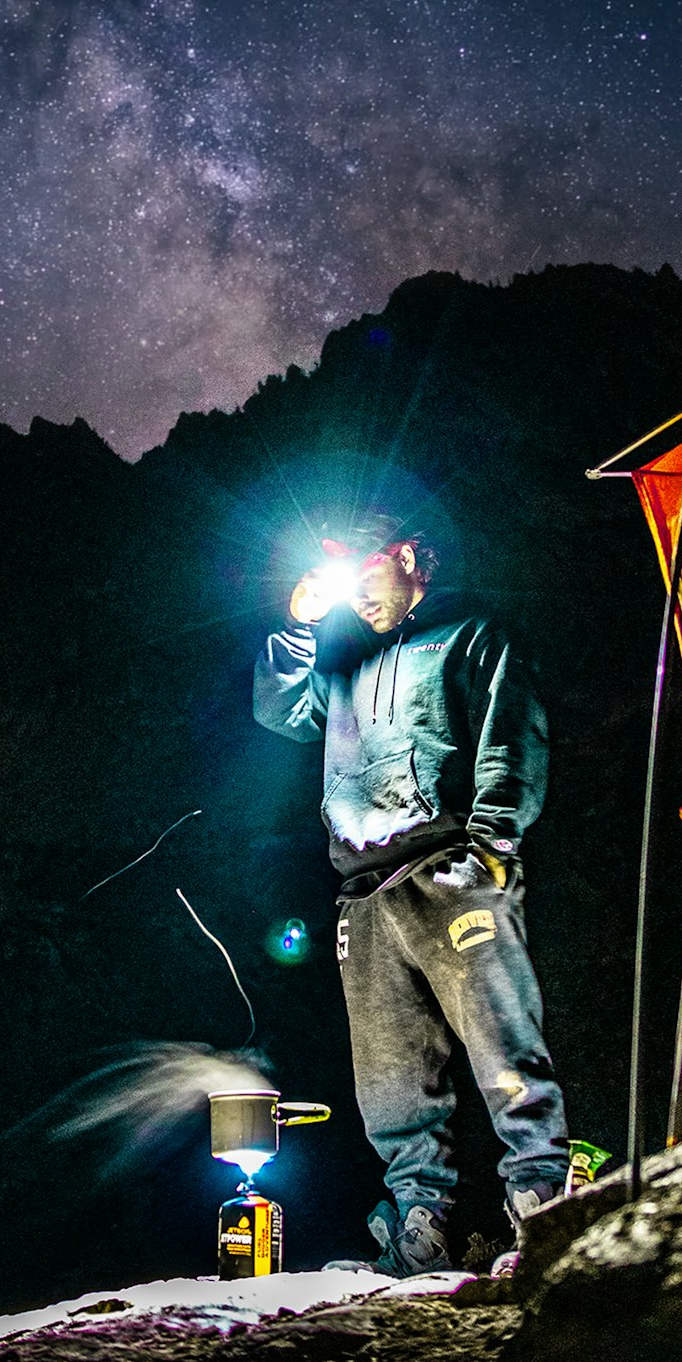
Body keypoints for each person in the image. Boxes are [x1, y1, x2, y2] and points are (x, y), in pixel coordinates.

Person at [253, 519, 569, 1277]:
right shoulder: (346, 667)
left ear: (402, 557)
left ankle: (543, 1208)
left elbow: (510, 737)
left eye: (363, 575)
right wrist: (296, 629)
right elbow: (277, 712)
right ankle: (416, 1224)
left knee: (503, 1045)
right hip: (363, 893)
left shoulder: (473, 635)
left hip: (453, 870)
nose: (355, 597)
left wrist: (491, 847)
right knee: (390, 1077)